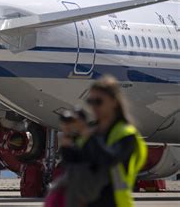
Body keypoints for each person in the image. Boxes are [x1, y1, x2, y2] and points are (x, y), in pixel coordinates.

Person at [47, 76, 148, 207]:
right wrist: (67, 145)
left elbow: (108, 160)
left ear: (114, 102)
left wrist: (88, 136)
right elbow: (74, 165)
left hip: (114, 202)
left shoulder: (126, 133)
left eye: (99, 101)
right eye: (91, 101)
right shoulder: (91, 130)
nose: (94, 106)